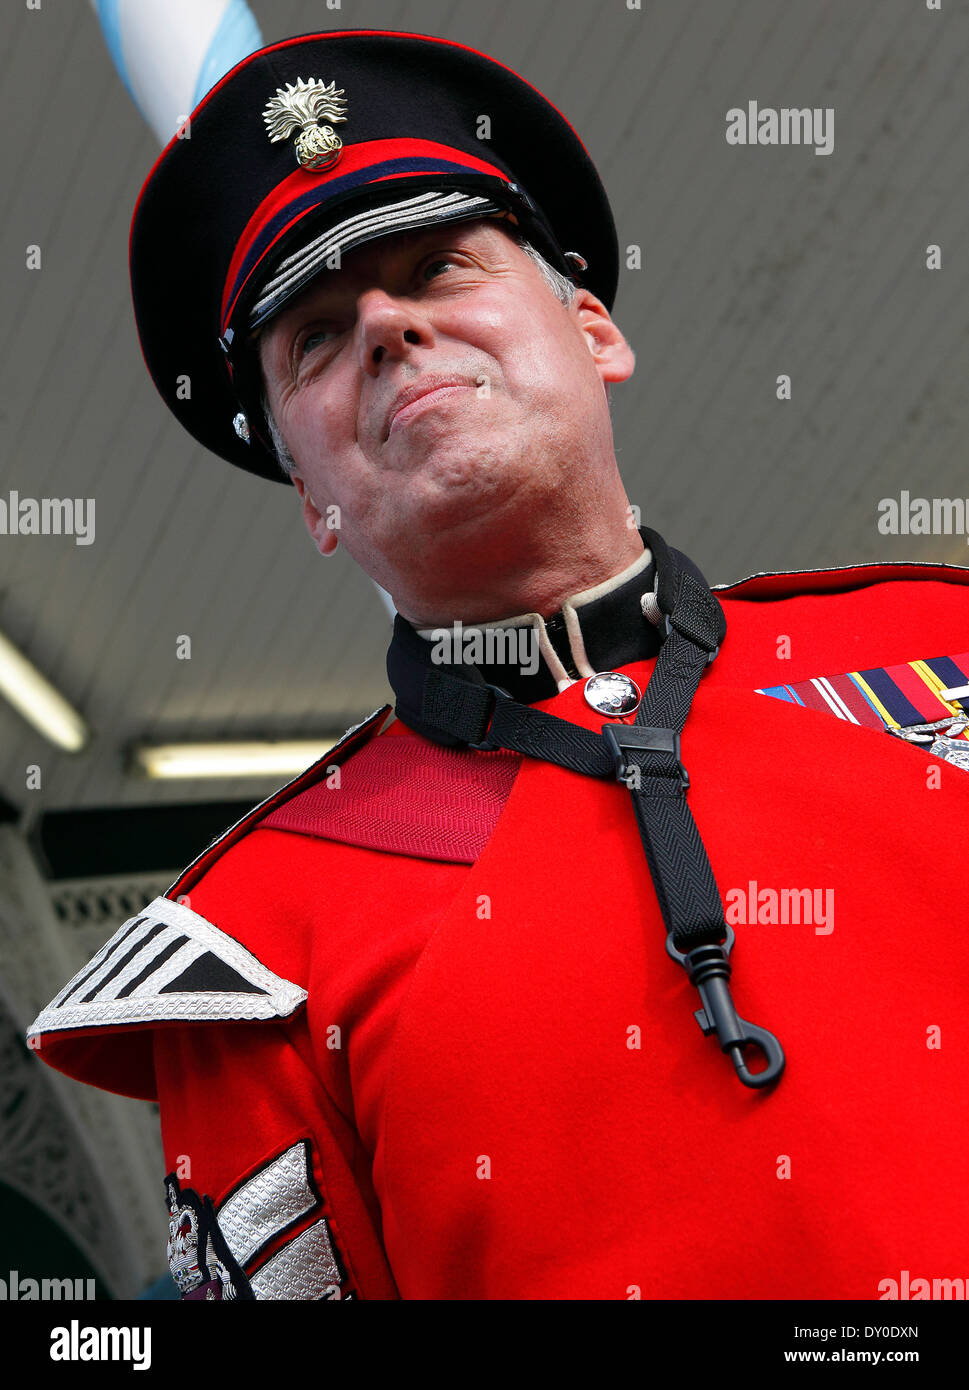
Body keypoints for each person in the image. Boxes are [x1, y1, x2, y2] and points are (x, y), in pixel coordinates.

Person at [27, 29, 969, 1302]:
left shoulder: (939, 658)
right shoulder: (258, 945)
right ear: (307, 496)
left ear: (594, 331)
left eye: (438, 266)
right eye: (313, 335)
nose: (386, 324)